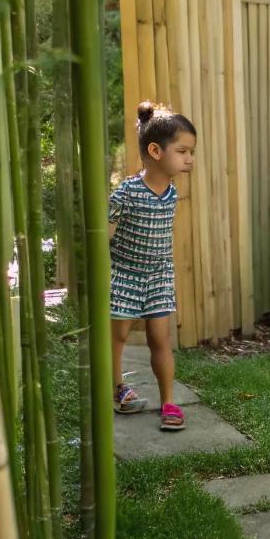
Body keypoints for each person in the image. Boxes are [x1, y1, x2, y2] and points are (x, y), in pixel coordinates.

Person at [110, 100, 197, 431]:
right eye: (183, 151)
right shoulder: (128, 192)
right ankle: (118, 388)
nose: (189, 158)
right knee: (118, 334)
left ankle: (169, 401)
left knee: (160, 337)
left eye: (191, 152)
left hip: (159, 274)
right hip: (126, 273)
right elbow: (105, 228)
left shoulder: (171, 193)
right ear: (156, 151)